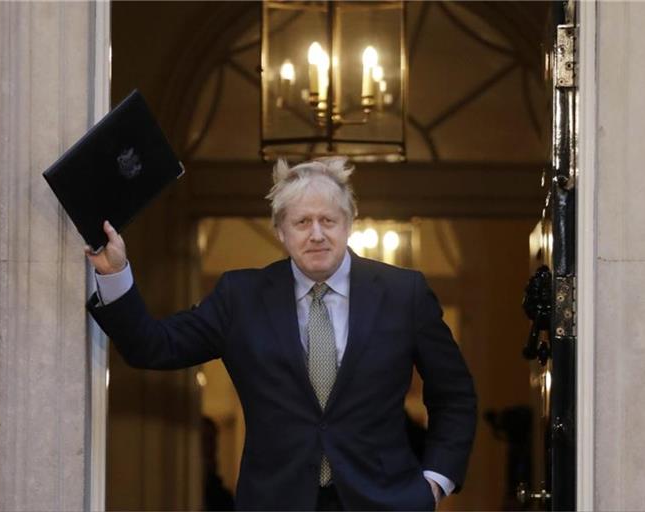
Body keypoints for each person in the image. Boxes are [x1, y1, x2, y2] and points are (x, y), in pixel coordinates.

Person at [86, 156, 477, 511]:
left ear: (350, 222)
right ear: (280, 231)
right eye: (302, 222)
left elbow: (454, 395)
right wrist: (113, 273)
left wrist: (434, 482)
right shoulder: (239, 297)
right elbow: (152, 346)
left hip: (386, 501)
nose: (317, 234)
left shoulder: (402, 293)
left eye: (328, 220)